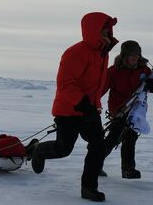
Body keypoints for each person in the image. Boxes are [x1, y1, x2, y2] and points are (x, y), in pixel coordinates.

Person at [29, 12, 118, 202]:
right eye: (103, 30)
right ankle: (38, 150)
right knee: (64, 149)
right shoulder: (76, 52)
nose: (107, 33)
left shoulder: (102, 53)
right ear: (92, 30)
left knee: (98, 147)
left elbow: (95, 84)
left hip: (90, 109)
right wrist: (82, 103)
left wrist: (93, 105)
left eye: (108, 30)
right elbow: (65, 83)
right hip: (68, 110)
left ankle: (88, 188)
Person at [102, 40, 153, 179]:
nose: (135, 58)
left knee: (131, 137)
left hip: (137, 109)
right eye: (132, 55)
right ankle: (95, 165)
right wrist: (91, 102)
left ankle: (128, 169)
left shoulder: (144, 70)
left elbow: (149, 89)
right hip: (119, 109)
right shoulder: (113, 71)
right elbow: (101, 89)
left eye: (137, 54)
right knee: (113, 138)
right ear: (124, 55)